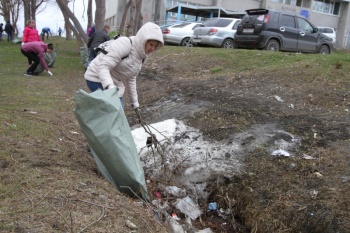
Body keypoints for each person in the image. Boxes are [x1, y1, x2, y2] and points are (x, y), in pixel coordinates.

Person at [84, 22, 163, 111]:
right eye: (151, 44)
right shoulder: (125, 44)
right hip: (96, 76)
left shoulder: (141, 58)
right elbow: (104, 66)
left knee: (118, 111)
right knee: (116, 112)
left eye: (155, 46)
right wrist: (109, 86)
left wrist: (135, 102)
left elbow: (131, 79)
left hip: (113, 82)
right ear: (143, 40)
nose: (152, 49)